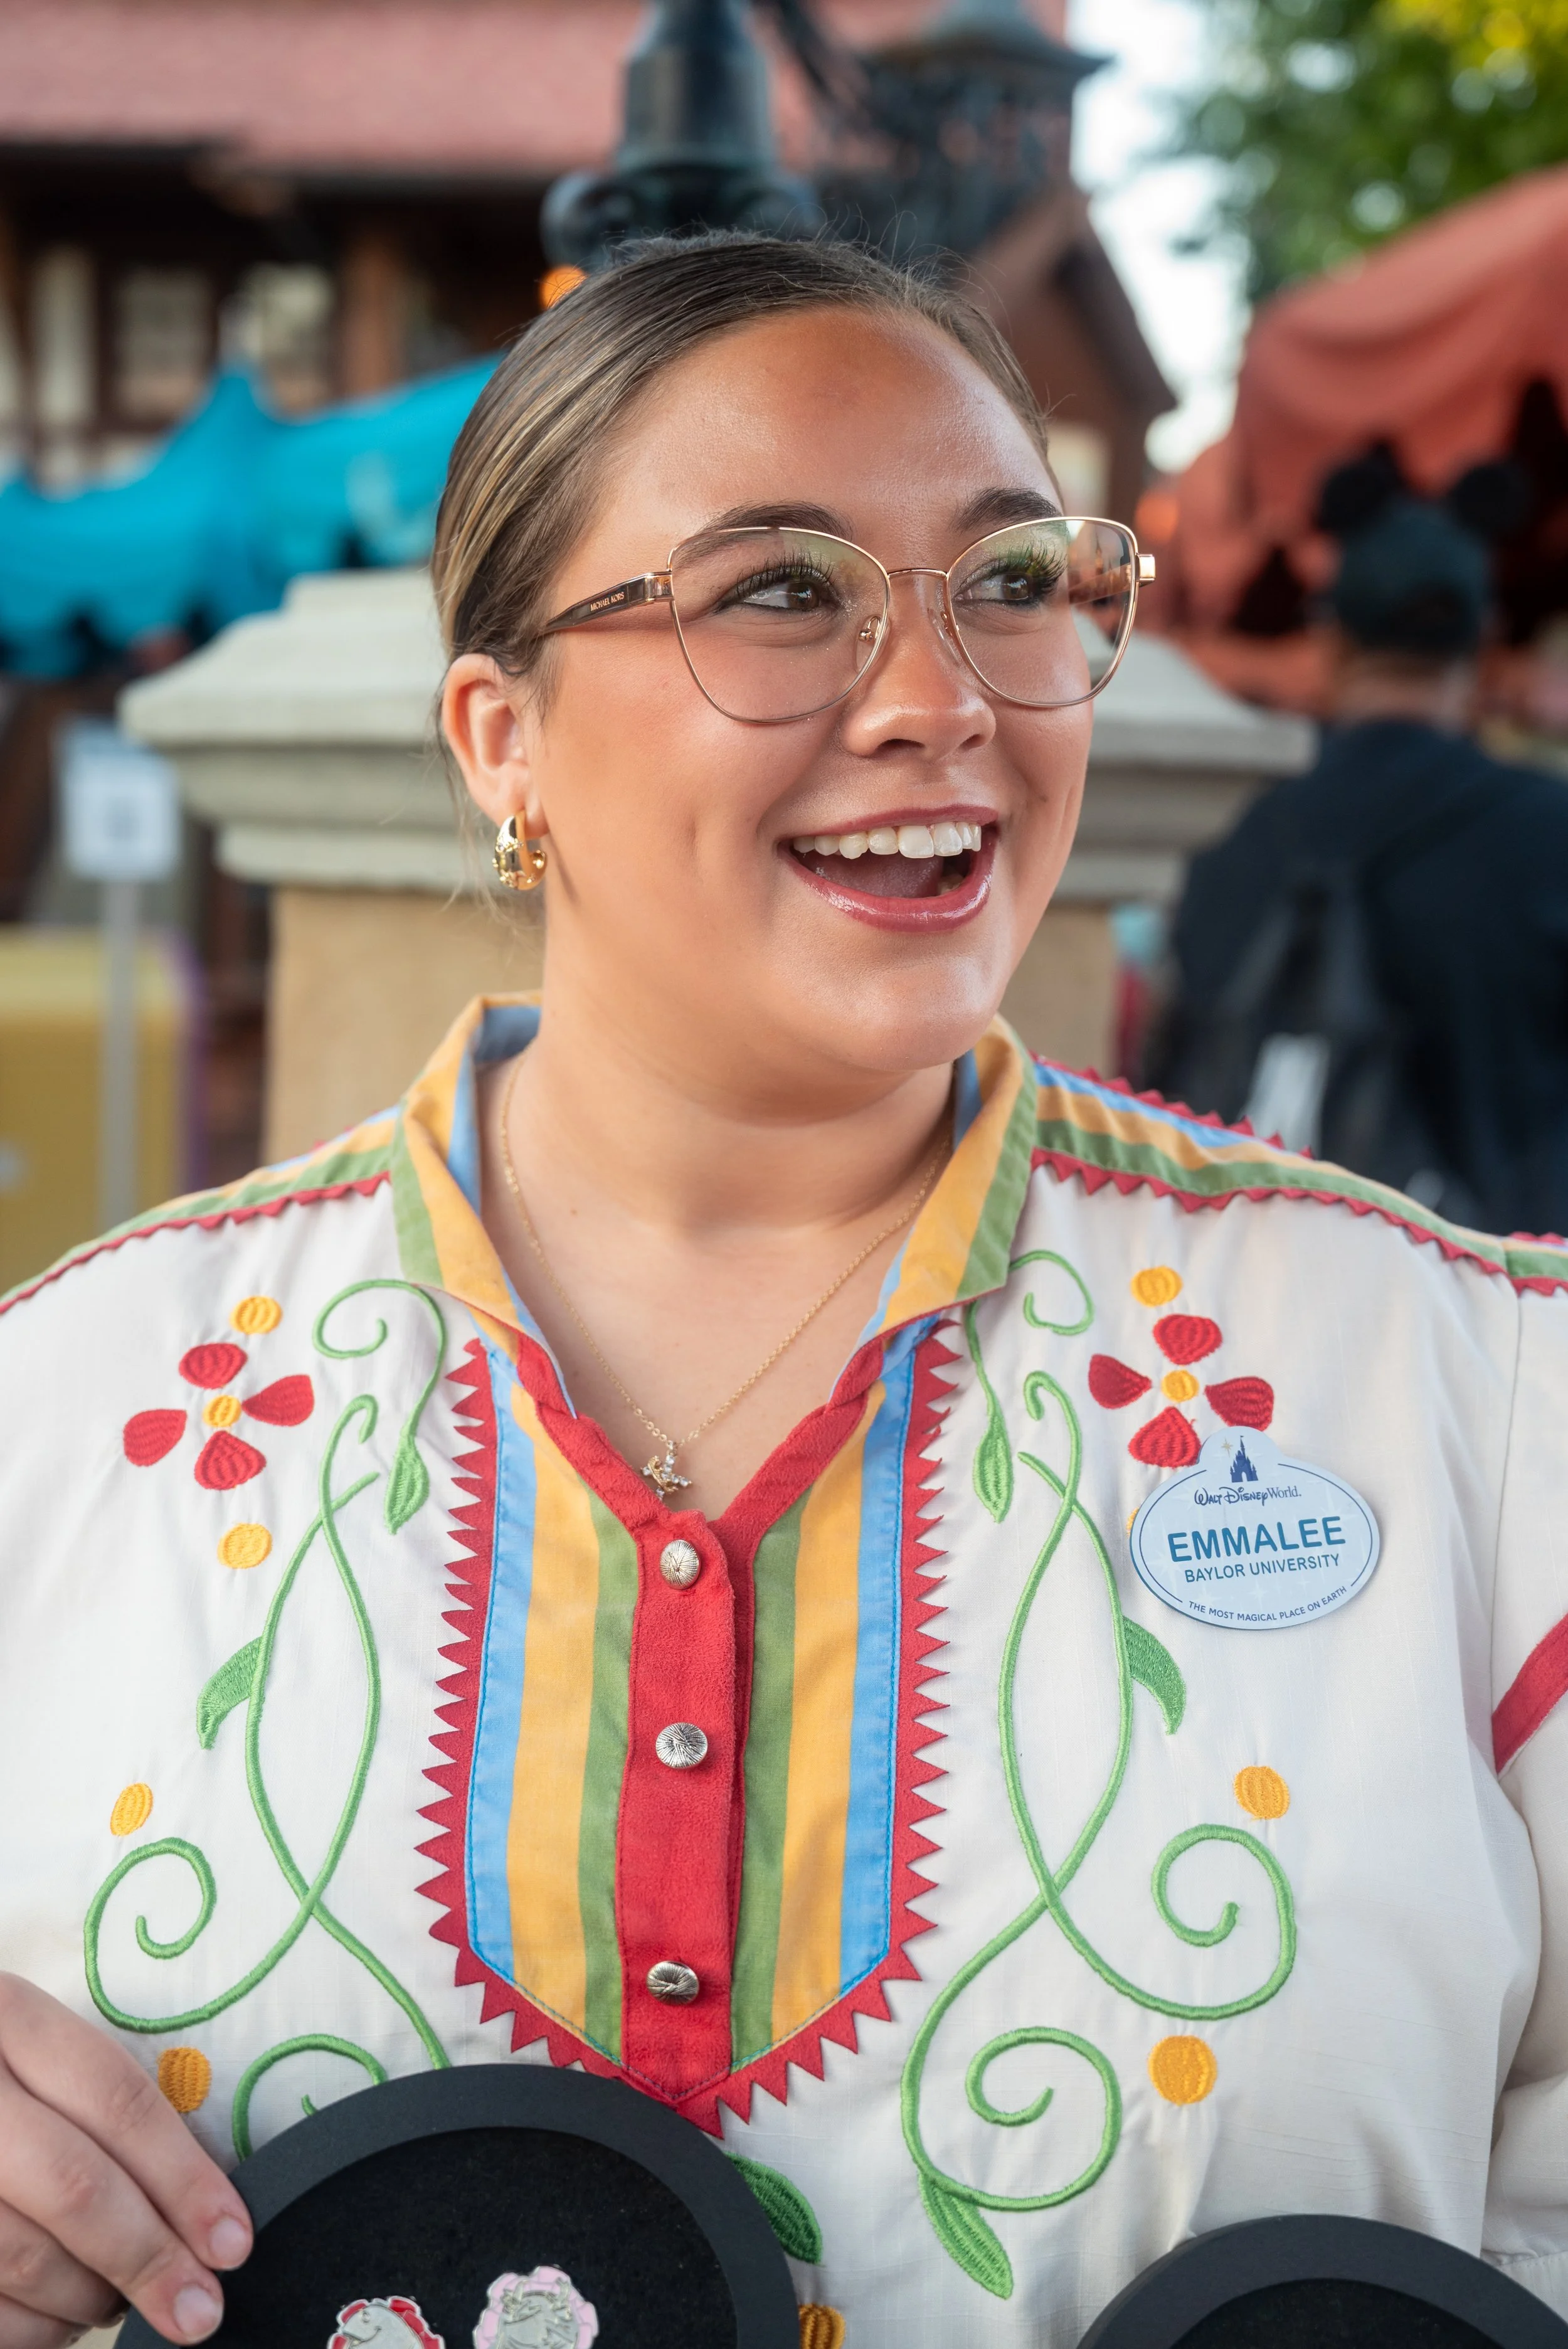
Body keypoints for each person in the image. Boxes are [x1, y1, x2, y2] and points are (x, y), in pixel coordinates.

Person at [0, 235, 1565, 2349]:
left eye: (1014, 581)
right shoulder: (72, 1412)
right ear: (503, 740)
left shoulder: (1472, 1405)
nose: (945, 698)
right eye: (779, 589)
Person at [1150, 456, 1568, 1233]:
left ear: (1333, 638)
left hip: (1268, 1286)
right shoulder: (1549, 831)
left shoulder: (1234, 834)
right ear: (1482, 638)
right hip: (1507, 1302)